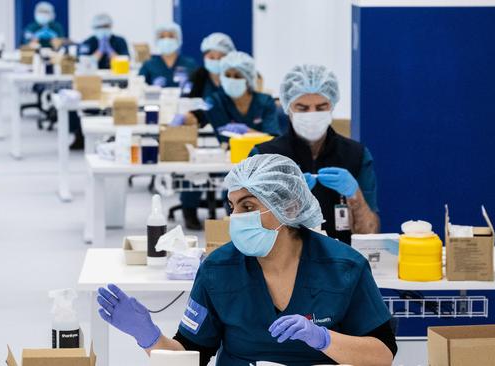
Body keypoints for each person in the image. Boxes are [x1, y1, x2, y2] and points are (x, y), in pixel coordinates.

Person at [96, 154, 397, 365]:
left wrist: (324, 339)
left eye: (248, 205)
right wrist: (148, 337)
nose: (235, 217)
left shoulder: (344, 266)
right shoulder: (217, 270)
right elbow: (190, 356)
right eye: (233, 206)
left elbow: (382, 355)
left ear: (289, 208)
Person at [251, 65, 380, 244]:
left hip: (341, 260)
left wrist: (354, 195)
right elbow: (250, 230)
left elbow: (369, 234)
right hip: (281, 261)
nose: (312, 115)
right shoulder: (264, 156)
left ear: (332, 106)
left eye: (321, 107)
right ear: (288, 109)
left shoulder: (355, 155)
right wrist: (284, 201)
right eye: (302, 108)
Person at [177, 33, 236, 231]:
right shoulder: (198, 77)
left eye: (221, 57)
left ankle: (233, 212)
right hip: (203, 129)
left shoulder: (236, 75)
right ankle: (189, 209)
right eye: (212, 56)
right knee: (195, 169)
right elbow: (190, 104)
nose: (216, 61)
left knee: (233, 173)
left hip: (231, 131)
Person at [204, 51, 281, 141]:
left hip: (263, 153)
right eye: (227, 75)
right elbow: (225, 140)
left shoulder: (265, 102)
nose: (231, 80)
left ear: (248, 80)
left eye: (237, 76)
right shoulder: (216, 102)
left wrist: (247, 132)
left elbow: (273, 140)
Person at [139, 22, 197, 87]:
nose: (166, 40)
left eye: (171, 36)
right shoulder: (149, 65)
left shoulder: (189, 64)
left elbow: (199, 89)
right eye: (162, 37)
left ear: (178, 40)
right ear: (157, 41)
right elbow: (138, 88)